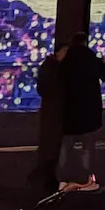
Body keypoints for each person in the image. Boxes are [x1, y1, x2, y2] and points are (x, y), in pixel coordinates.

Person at [57, 33, 105, 192]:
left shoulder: (65, 61)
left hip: (69, 109)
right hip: (89, 109)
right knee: (88, 145)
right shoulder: (91, 58)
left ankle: (62, 180)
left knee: (66, 146)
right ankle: (87, 179)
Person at [30, 43, 67, 196]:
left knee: (51, 145)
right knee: (51, 145)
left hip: (52, 110)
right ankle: (46, 178)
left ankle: (46, 177)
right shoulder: (53, 67)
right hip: (53, 111)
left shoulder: (51, 66)